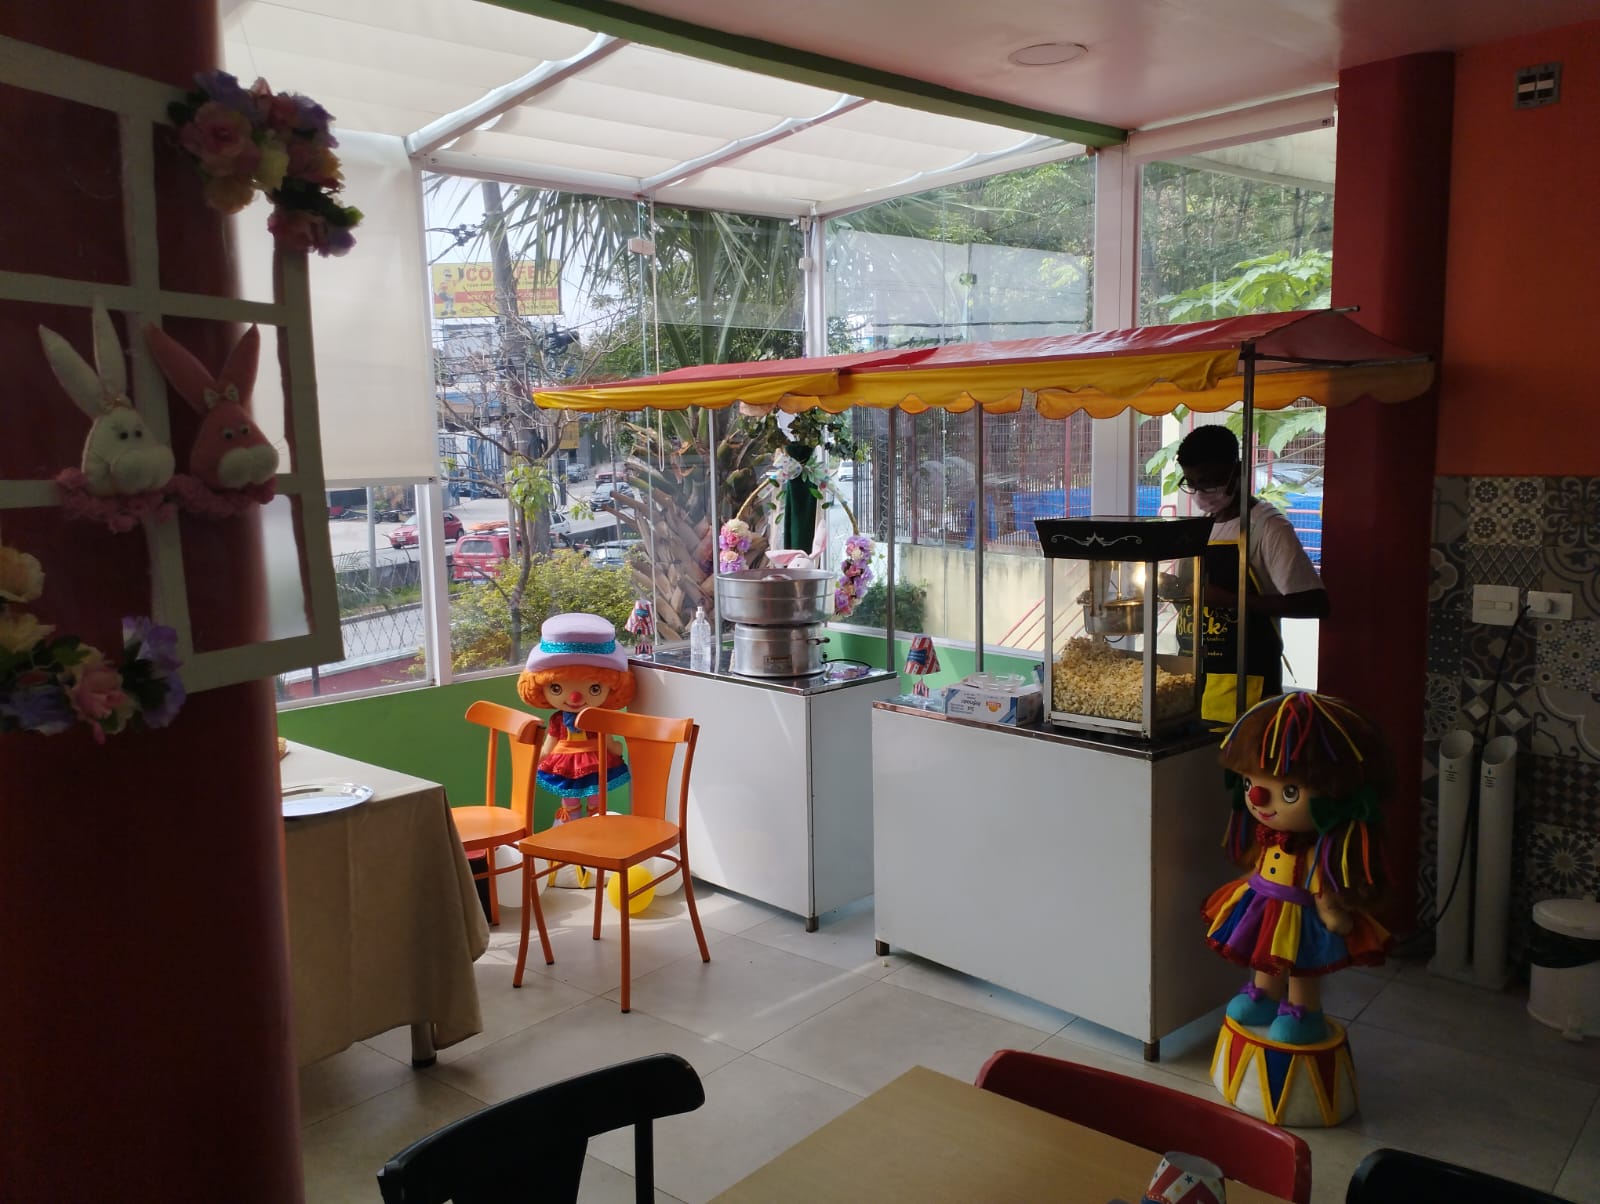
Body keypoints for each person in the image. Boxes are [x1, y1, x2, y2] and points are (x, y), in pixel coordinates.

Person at [1202, 692, 1391, 1045]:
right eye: (1249, 783)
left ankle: (1304, 1010)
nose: (1257, 798)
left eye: (1289, 792)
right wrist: (1246, 885)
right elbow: (1261, 864)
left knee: (1302, 962)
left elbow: (1322, 883)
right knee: (1264, 955)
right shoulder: (1269, 836)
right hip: (1263, 903)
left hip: (1300, 913)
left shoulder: (1316, 850)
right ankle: (1264, 996)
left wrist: (1330, 910)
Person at [1175, 425, 1328, 725]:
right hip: (1194, 689)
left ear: (1238, 471)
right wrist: (1176, 590)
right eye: (1191, 483)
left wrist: (1231, 600)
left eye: (1209, 482)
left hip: (1248, 696)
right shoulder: (1202, 526)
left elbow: (1314, 603)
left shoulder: (1267, 527)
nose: (1201, 493)